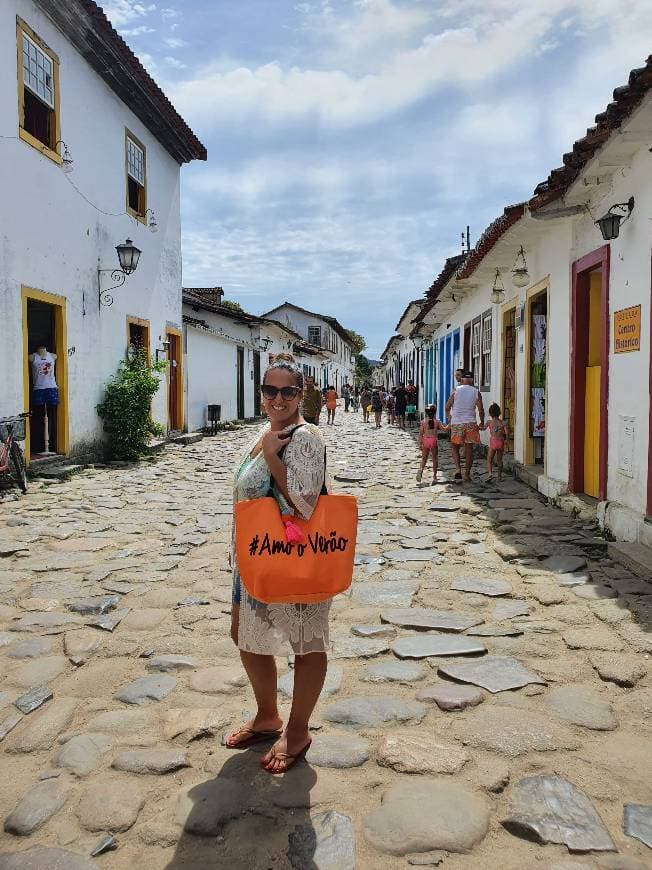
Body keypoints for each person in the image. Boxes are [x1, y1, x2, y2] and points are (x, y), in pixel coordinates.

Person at [227, 353, 330, 773]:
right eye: (271, 390)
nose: (278, 398)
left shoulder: (305, 438)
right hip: (255, 557)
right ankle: (267, 716)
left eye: (288, 390)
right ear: (262, 392)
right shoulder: (263, 432)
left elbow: (305, 507)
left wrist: (272, 458)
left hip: (295, 558)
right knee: (244, 636)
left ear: (301, 393)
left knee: (306, 643)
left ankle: (298, 729)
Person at [445, 370, 485, 482]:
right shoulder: (476, 392)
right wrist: (481, 421)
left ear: (462, 379)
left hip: (457, 422)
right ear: (472, 380)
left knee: (454, 446)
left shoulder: (455, 391)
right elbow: (481, 410)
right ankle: (467, 474)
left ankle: (458, 469)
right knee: (469, 449)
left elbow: (447, 407)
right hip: (471, 423)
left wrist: (450, 419)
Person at [417, 404, 448, 484]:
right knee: (435, 459)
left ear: (426, 413)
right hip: (433, 441)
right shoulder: (437, 422)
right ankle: (434, 476)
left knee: (424, 459)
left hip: (425, 440)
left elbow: (420, 434)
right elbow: (445, 430)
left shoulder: (423, 422)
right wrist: (450, 424)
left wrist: (420, 443)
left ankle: (421, 470)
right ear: (435, 412)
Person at [485, 402, 507, 482]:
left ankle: (490, 473)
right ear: (499, 412)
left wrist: (478, 427)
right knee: (499, 460)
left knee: (489, 459)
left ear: (490, 413)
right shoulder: (502, 422)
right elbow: (506, 432)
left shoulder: (489, 422)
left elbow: (483, 428)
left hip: (493, 441)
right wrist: (506, 439)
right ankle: (499, 476)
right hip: (500, 441)